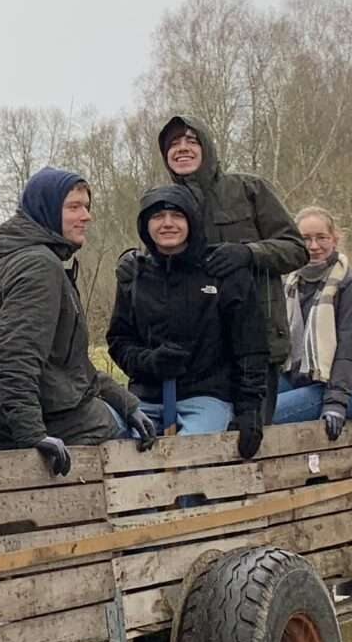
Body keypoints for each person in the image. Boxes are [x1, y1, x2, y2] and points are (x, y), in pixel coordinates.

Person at [0, 168, 153, 472]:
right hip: (14, 423)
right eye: (74, 207)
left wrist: (127, 403)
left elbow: (71, 366)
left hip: (24, 410)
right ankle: (144, 519)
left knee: (120, 414)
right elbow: (15, 358)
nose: (86, 216)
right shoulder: (38, 266)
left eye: (87, 206)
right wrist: (32, 434)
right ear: (46, 211)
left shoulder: (22, 258)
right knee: (131, 444)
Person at [156, 115, 307, 416]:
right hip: (199, 353)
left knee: (252, 439)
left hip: (257, 346)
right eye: (173, 144)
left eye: (190, 140)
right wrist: (131, 263)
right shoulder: (165, 204)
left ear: (207, 147)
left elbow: (296, 249)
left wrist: (249, 253)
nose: (182, 148)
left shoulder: (249, 190)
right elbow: (155, 259)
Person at [106, 182, 265, 452]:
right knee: (126, 455)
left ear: (192, 220)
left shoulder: (223, 271)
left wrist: (249, 409)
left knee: (186, 455)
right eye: (157, 217)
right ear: (146, 225)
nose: (167, 223)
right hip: (147, 398)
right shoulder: (134, 276)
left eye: (177, 216)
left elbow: (250, 346)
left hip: (207, 396)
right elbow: (119, 341)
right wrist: (150, 362)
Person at [271, 207, 352, 439]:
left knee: (266, 415)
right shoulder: (291, 283)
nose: (314, 246)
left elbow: (348, 351)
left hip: (348, 389)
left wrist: (335, 403)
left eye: (321, 238)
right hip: (301, 379)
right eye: (305, 239)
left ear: (334, 239)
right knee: (243, 409)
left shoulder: (351, 285)